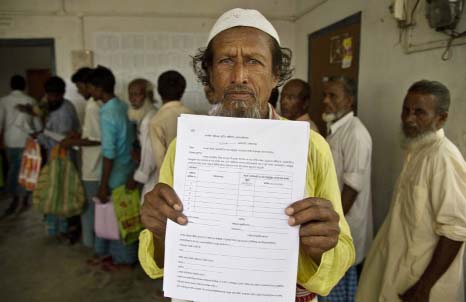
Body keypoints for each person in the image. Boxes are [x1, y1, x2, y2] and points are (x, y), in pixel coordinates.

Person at [139, 8, 355, 302]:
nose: (239, 76)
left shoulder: (311, 147)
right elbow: (162, 260)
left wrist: (323, 245)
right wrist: (160, 230)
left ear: (275, 74)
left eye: (254, 61)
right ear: (210, 74)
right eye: (226, 61)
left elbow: (341, 252)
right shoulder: (186, 147)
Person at [356, 80, 466, 302]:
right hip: (397, 275)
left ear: (441, 118)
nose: (408, 118)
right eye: (405, 110)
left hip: (420, 287)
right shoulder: (416, 151)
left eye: (419, 113)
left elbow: (456, 230)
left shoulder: (443, 157)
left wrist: (424, 287)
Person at [319, 76, 373, 302]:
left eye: (333, 96)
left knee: (341, 287)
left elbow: (351, 189)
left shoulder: (356, 134)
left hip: (345, 224)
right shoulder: (336, 128)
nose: (326, 101)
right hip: (335, 221)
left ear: (349, 101)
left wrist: (332, 224)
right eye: (325, 95)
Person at [88, 66, 138, 270]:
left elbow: (108, 153)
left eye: (90, 87)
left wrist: (103, 184)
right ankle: (118, 256)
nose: (89, 91)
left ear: (99, 88)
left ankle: (124, 260)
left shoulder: (107, 112)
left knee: (116, 219)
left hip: (115, 174)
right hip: (128, 169)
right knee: (125, 217)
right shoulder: (122, 106)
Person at [36, 76, 81, 242]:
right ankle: (57, 227)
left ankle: (70, 228)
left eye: (55, 96)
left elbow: (63, 138)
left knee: (66, 191)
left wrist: (43, 137)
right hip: (53, 156)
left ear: (62, 94)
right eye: (49, 95)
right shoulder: (48, 105)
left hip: (64, 156)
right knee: (54, 190)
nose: (52, 98)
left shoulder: (66, 110)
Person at [61, 67, 102, 250]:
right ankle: (96, 247)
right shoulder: (99, 104)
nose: (78, 90)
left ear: (89, 85)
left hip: (93, 168)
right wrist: (77, 136)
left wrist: (71, 142)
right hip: (97, 165)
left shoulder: (93, 106)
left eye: (79, 86)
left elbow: (96, 139)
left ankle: (92, 247)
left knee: (89, 212)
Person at [0, 75, 41, 215]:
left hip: (9, 141)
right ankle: (23, 199)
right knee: (26, 171)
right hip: (27, 141)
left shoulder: (3, 101)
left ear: (11, 86)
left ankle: (14, 198)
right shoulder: (31, 100)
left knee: (13, 169)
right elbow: (38, 124)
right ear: (25, 86)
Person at [148, 70, 193, 179]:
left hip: (169, 182)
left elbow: (160, 161)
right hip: (190, 178)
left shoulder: (156, 121)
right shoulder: (193, 116)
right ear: (183, 91)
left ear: (158, 91)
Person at [126, 78, 158, 203]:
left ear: (147, 96)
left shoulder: (149, 119)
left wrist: (136, 179)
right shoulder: (143, 115)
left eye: (137, 94)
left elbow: (150, 156)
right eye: (130, 94)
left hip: (152, 176)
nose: (132, 98)